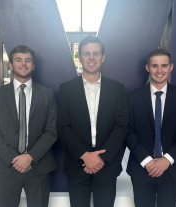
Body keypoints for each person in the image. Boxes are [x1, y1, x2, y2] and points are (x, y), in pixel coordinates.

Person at [57, 35, 128, 207]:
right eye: (86, 54)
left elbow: (121, 126)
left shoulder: (117, 89)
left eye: (96, 53)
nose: (91, 58)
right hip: (77, 166)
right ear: (79, 58)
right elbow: (63, 127)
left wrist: (100, 159)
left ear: (103, 58)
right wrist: (85, 156)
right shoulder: (66, 89)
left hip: (107, 166)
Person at [0, 45, 57, 207]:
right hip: (5, 167)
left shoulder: (47, 94)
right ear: (11, 65)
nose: (23, 64)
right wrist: (15, 159)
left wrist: (29, 157)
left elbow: (51, 132)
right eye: (18, 60)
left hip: (38, 167)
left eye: (28, 60)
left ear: (34, 65)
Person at [126, 49, 176, 207]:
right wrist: (148, 161)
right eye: (154, 66)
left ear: (171, 67)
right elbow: (128, 133)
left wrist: (166, 160)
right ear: (147, 68)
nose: (159, 70)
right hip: (142, 169)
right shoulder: (132, 97)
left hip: (172, 170)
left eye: (164, 65)